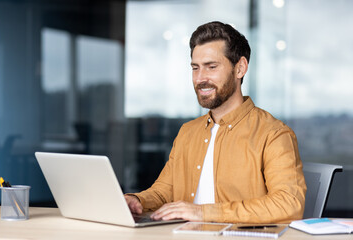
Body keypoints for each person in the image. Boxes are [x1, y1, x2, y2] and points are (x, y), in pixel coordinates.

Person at [125, 21, 306, 224]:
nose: (200, 78)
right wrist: (136, 200)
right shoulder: (188, 132)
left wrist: (203, 213)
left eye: (211, 67)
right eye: (195, 68)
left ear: (240, 68)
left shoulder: (274, 134)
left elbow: (288, 204)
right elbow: (164, 191)